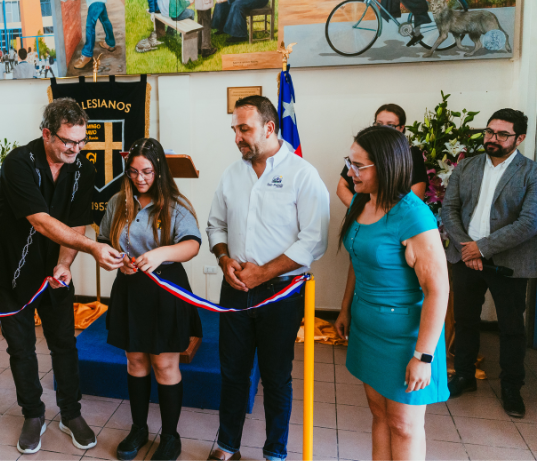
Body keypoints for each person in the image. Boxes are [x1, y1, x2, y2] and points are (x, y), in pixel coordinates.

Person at [0, 99, 124, 455]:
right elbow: (41, 221)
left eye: (81, 143)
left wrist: (66, 263)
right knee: (21, 348)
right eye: (68, 142)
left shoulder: (83, 168)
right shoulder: (18, 163)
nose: (75, 150)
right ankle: (33, 414)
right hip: (11, 272)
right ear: (47, 133)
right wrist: (93, 249)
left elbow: (76, 220)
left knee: (64, 343)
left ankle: (71, 413)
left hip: (54, 272)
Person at [206, 95, 330, 461]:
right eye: (235, 130)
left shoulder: (302, 175)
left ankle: (275, 451)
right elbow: (216, 225)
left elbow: (315, 240)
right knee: (232, 373)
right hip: (236, 289)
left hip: (281, 294)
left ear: (270, 128)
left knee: (276, 377)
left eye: (244, 129)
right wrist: (224, 258)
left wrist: (264, 272)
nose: (237, 138)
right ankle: (227, 445)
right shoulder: (232, 174)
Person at [333, 126, 450, 460]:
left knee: (404, 425)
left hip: (406, 339)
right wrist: (344, 309)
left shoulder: (413, 216)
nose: (350, 172)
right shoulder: (360, 202)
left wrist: (423, 356)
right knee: (380, 415)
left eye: (359, 166)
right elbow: (359, 259)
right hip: (368, 328)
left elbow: (437, 290)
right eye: (349, 162)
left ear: (386, 166)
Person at [98, 138, 202, 461]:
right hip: (130, 289)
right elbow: (102, 242)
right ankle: (139, 428)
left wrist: (160, 254)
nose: (140, 178)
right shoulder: (118, 203)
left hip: (166, 290)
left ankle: (170, 436)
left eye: (147, 172)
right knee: (136, 361)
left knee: (164, 362)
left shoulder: (175, 205)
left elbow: (192, 245)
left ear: (159, 171)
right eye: (133, 172)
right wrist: (115, 260)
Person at [442, 108, 537, 419]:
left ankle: (512, 387)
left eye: (502, 134)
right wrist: (466, 248)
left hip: (508, 263)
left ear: (519, 138)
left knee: (512, 329)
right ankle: (464, 376)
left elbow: (529, 223)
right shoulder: (466, 166)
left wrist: (480, 249)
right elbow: (449, 211)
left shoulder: (531, 173)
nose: (492, 139)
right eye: (489, 132)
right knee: (466, 320)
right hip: (464, 259)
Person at [336, 104, 427, 207]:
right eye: (379, 124)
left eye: (390, 125)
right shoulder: (365, 148)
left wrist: (382, 218)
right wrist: (361, 211)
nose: (384, 129)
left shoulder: (412, 154)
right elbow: (341, 186)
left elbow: (416, 198)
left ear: (401, 128)